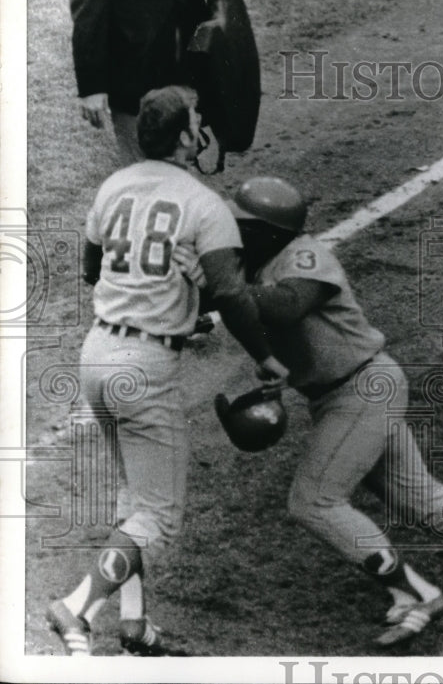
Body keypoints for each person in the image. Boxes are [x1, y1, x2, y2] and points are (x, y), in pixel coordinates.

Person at [188, 176, 443, 647]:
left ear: (271, 233)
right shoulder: (249, 268)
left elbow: (284, 308)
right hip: (339, 395)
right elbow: (247, 321)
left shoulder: (304, 253)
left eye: (244, 227)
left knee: (313, 501)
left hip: (365, 388)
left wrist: (222, 287)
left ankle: (415, 592)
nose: (233, 234)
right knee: (417, 499)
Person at [45, 86, 288, 656]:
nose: (202, 127)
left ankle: (136, 627)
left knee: (136, 499)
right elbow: (231, 294)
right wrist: (267, 359)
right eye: (197, 121)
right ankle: (76, 608)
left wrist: (160, 287)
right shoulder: (204, 205)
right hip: (147, 366)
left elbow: (90, 267)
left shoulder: (113, 186)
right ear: (183, 136)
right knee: (157, 515)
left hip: (97, 355)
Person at [70, 0, 206, 164]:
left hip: (181, 69)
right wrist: (92, 86)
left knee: (182, 161)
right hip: (134, 76)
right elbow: (89, 6)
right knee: (144, 168)